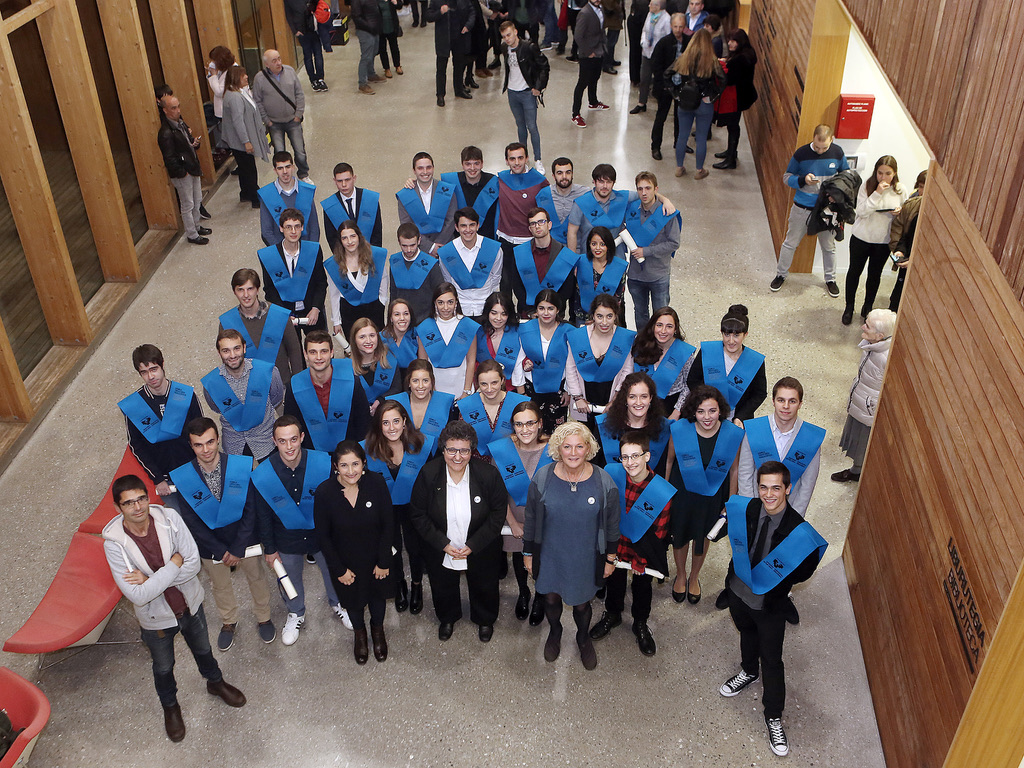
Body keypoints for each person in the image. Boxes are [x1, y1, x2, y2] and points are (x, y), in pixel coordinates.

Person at [103, 474, 246, 742]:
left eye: (141, 499)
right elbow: (138, 595)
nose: (138, 507)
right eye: (129, 503)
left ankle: (215, 683)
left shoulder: (170, 519)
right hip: (155, 619)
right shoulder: (114, 545)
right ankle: (170, 707)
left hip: (190, 604)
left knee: (203, 650)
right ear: (117, 507)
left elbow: (193, 565)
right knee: (163, 667)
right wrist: (172, 564)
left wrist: (150, 578)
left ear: (149, 498)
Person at [719, 461, 826, 758]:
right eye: (763, 487)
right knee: (745, 633)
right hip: (739, 592)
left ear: (788, 489)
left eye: (776, 488)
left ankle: (774, 715)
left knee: (772, 659)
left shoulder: (799, 531)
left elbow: (804, 572)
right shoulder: (749, 509)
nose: (768, 494)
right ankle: (748, 671)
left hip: (770, 605)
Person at [168, 417, 275, 651]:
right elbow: (192, 521)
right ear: (191, 445)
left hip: (245, 539)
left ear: (218, 439)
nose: (205, 449)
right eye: (198, 445)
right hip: (210, 545)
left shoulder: (240, 466)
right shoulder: (184, 477)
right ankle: (229, 621)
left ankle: (264, 616)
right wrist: (220, 550)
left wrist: (237, 548)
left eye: (210, 442)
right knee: (220, 585)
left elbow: (251, 509)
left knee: (257, 577)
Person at [523, 421, 619, 669]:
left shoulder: (603, 481)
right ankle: (555, 631)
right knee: (551, 599)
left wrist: (610, 558)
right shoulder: (542, 478)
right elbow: (531, 518)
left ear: (588, 448)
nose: (573, 452)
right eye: (567, 446)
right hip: (550, 555)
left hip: (586, 557)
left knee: (582, 603)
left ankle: (583, 638)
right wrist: (528, 553)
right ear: (558, 448)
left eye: (579, 446)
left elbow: (612, 524)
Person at [253, 416, 349, 647]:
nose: (289, 446)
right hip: (286, 536)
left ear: (302, 437)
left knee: (333, 570)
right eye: (282, 441)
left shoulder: (323, 463)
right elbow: (263, 516)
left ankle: (339, 603)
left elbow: (336, 502)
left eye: (294, 439)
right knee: (289, 578)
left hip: (322, 534)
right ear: (274, 441)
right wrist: (270, 549)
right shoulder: (263, 474)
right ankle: (296, 612)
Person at [409, 420, 509, 642]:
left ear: (472, 450)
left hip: (481, 545)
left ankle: (485, 619)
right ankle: (447, 617)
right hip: (441, 546)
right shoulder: (428, 474)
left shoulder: (488, 474)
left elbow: (497, 513)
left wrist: (473, 544)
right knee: (442, 584)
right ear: (443, 449)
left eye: (464, 450)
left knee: (484, 583)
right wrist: (443, 544)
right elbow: (418, 514)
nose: (457, 457)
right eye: (451, 450)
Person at [591, 431, 675, 655]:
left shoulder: (660, 491)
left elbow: (659, 533)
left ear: (647, 456)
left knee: (642, 587)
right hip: (616, 545)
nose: (630, 462)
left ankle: (640, 622)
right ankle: (613, 614)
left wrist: (642, 560)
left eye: (635, 456)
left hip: (643, 550)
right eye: (625, 457)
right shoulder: (613, 476)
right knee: (614, 581)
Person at [315, 441, 395, 663]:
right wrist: (339, 569)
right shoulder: (324, 493)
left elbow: (388, 524)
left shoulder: (377, 483)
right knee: (353, 602)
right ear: (335, 466)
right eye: (344, 465)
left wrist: (384, 561)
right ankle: (359, 635)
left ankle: (378, 631)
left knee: (378, 598)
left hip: (376, 559)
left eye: (355, 464)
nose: (351, 471)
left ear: (364, 463)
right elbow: (323, 536)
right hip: (345, 563)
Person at [664, 385, 742, 604]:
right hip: (682, 491)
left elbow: (734, 470)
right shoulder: (680, 429)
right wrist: (666, 493)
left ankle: (694, 576)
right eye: (701, 411)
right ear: (693, 411)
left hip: (712, 493)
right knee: (680, 535)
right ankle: (681, 575)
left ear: (721, 410)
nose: (707, 417)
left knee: (703, 536)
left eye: (712, 411)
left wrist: (730, 501)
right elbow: (669, 461)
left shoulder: (732, 434)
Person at [363, 399, 436, 614]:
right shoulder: (369, 450)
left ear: (405, 421)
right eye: (385, 423)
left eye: (396, 421)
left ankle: (416, 585)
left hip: (416, 507)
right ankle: (399, 584)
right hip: (385, 509)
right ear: (378, 425)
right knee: (391, 546)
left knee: (415, 548)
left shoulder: (421, 444)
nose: (391, 427)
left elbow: (432, 479)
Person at [770, 124, 849, 297]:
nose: (820, 151)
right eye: (817, 147)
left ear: (832, 140)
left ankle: (830, 279)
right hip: (802, 208)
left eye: (824, 148)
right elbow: (786, 177)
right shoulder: (801, 153)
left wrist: (836, 194)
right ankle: (780, 275)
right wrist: (803, 180)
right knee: (790, 243)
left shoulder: (838, 152)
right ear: (813, 138)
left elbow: (846, 176)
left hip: (826, 210)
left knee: (828, 247)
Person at [491, 400, 552, 625]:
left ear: (540, 423)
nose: (525, 429)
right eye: (519, 424)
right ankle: (524, 592)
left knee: (543, 560)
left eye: (530, 423)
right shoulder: (503, 450)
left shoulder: (554, 450)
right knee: (519, 557)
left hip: (546, 520)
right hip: (514, 518)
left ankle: (540, 596)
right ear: (513, 426)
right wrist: (513, 524)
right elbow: (497, 494)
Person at [120, 344, 203, 503]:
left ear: (162, 365)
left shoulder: (185, 395)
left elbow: (201, 432)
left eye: (154, 369)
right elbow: (136, 446)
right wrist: (157, 478)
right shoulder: (135, 406)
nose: (151, 376)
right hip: (165, 480)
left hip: (194, 470)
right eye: (144, 372)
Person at [738, 376, 824, 516]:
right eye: (781, 400)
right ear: (773, 401)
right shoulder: (754, 430)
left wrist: (793, 518)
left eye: (792, 401)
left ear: (800, 404)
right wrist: (749, 509)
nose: (786, 406)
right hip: (756, 505)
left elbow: (807, 485)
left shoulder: (811, 438)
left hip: (789, 509)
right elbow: (745, 474)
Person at [832, 309, 897, 482]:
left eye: (867, 326)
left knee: (862, 445)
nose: (862, 326)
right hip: (862, 400)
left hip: (868, 408)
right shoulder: (872, 345)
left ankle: (856, 471)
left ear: (880, 335)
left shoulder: (886, 358)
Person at [201, 329, 284, 462]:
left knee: (272, 476)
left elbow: (276, 397)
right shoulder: (211, 383)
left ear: (244, 348)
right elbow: (215, 407)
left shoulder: (268, 372)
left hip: (266, 440)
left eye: (237, 348)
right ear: (219, 353)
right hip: (234, 445)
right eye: (226, 350)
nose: (232, 355)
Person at [843, 156, 907, 325]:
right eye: (880, 173)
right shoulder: (867, 185)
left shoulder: (900, 190)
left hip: (883, 241)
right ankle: (849, 307)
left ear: (894, 173)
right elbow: (862, 212)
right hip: (861, 238)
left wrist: (899, 211)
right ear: (875, 172)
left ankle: (868, 306)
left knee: (874, 275)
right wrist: (877, 193)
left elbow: (905, 214)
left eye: (888, 173)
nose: (883, 177)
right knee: (854, 272)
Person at [283, 330, 372, 452]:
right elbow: (292, 426)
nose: (318, 357)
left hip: (349, 451)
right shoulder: (294, 387)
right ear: (305, 355)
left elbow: (363, 423)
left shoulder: (352, 383)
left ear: (331, 353)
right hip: (312, 453)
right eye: (313, 352)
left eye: (323, 351)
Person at [218, 268, 303, 387]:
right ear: (234, 292)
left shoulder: (279, 315)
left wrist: (297, 384)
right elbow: (226, 359)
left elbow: (294, 351)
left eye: (250, 289)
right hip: (249, 389)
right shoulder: (227, 323)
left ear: (257, 289)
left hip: (282, 386)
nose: (246, 295)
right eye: (240, 290)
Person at [564, 294, 636, 427]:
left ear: (616, 316)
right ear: (593, 316)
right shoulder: (578, 336)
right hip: (584, 399)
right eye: (599, 316)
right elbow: (570, 368)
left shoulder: (624, 338)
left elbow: (627, 370)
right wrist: (578, 397)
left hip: (612, 396)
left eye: (609, 316)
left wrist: (616, 400)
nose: (604, 322)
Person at [686, 304, 767, 422]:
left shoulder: (754, 361)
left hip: (737, 420)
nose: (731, 341)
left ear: (745, 334)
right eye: (727, 334)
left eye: (736, 335)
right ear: (721, 332)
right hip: (706, 416)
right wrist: (705, 404)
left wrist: (740, 417)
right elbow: (692, 380)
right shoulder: (708, 352)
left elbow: (759, 393)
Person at [611, 306, 695, 414]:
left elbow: (689, 386)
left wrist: (677, 412)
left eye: (669, 326)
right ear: (653, 326)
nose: (663, 331)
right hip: (639, 404)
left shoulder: (684, 352)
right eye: (659, 325)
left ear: (675, 329)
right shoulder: (640, 346)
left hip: (671, 407)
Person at [623, 172, 680, 328]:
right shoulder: (631, 209)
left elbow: (674, 243)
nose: (644, 193)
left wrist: (646, 251)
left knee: (661, 316)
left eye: (648, 188)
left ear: (656, 189)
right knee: (640, 314)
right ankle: (643, 341)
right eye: (640, 189)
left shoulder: (667, 213)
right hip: (636, 275)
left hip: (658, 275)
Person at [258, 208, 327, 336]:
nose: (293, 231)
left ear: (302, 228)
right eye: (288, 227)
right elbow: (270, 290)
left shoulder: (313, 250)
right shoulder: (270, 256)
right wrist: (284, 314)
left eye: (297, 226)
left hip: (311, 312)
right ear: (281, 228)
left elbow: (321, 283)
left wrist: (316, 308)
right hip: (286, 314)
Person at [513, 288, 571, 434]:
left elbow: (571, 364)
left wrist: (568, 391)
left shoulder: (568, 331)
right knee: (531, 430)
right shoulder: (524, 329)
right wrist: (521, 393)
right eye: (541, 308)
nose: (546, 313)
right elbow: (517, 361)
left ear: (558, 310)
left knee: (557, 434)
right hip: (531, 389)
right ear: (536, 310)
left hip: (559, 390)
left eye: (550, 308)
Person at [670, 28, 724, 180]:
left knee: (682, 135)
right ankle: (699, 170)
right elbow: (723, 80)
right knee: (701, 138)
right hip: (704, 103)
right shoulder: (711, 61)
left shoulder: (683, 58)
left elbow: (667, 74)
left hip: (685, 101)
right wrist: (713, 96)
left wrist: (676, 93)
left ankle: (679, 167)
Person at [157, 96, 210, 245]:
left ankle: (196, 226)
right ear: (165, 110)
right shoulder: (166, 132)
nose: (178, 111)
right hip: (183, 172)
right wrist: (182, 172)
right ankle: (192, 234)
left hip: (191, 167)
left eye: (178, 106)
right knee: (188, 204)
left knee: (197, 199)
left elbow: (187, 143)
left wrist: (194, 143)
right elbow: (169, 158)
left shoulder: (180, 124)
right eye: (173, 108)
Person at [251, 50, 309, 181]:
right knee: (279, 154)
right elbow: (257, 101)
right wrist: (267, 120)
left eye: (279, 59)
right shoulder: (259, 78)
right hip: (274, 123)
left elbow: (299, 94)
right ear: (267, 64)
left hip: (293, 120)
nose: (278, 63)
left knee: (300, 151)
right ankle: (283, 178)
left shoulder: (290, 71)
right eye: (274, 61)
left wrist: (298, 114)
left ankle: (303, 174)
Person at [500, 22, 549, 172]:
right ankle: (523, 160)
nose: (507, 39)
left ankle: (538, 159)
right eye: (504, 36)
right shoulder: (504, 48)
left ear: (515, 32)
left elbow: (544, 66)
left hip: (527, 92)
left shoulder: (529, 47)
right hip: (512, 92)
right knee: (520, 126)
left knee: (532, 126)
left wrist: (538, 87)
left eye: (509, 35)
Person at [437, 207, 504, 319]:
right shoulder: (446, 252)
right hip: (460, 309)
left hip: (486, 308)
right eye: (463, 226)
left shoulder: (494, 249)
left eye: (472, 225)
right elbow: (448, 280)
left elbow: (496, 278)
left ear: (478, 226)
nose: (468, 230)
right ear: (456, 228)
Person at [511, 207, 578, 318]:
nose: (537, 226)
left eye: (541, 222)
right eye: (533, 224)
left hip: (555, 315)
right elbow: (517, 286)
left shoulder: (565, 255)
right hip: (527, 314)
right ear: (530, 229)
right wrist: (531, 312)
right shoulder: (519, 253)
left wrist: (549, 311)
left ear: (549, 225)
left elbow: (567, 290)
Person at [596, 371, 670, 470]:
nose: (638, 402)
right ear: (625, 399)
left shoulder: (664, 428)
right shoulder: (604, 426)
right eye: (632, 397)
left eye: (644, 396)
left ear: (651, 398)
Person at [326, 219, 387, 337]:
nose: (349, 241)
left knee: (375, 343)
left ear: (359, 236)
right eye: (344, 238)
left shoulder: (375, 255)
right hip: (349, 312)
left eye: (352, 236)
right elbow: (334, 294)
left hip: (374, 308)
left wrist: (382, 302)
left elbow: (383, 279)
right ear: (340, 241)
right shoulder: (334, 264)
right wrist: (336, 321)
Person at [458, 359, 530, 455]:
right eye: (484, 384)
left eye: (494, 383)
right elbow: (461, 439)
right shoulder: (467, 406)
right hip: (476, 461)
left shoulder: (519, 403)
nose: (489, 389)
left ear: (502, 380)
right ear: (477, 383)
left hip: (511, 458)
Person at [220, 67, 268, 208]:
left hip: (237, 141)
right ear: (236, 78)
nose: (246, 77)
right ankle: (255, 198)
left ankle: (245, 193)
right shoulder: (235, 97)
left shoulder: (236, 92)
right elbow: (238, 121)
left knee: (243, 167)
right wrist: (246, 141)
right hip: (240, 142)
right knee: (249, 169)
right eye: (243, 76)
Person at [380, 224, 446, 322]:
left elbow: (440, 294)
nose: (409, 250)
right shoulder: (395, 261)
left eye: (412, 245)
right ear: (399, 242)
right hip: (402, 320)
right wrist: (391, 321)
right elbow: (393, 294)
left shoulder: (431, 263)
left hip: (426, 320)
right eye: (404, 246)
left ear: (419, 241)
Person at [711, 28, 757, 171]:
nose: (730, 43)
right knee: (733, 125)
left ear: (740, 42)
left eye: (733, 41)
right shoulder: (745, 54)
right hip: (742, 96)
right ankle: (731, 152)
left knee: (732, 125)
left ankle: (731, 159)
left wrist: (722, 66)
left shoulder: (741, 59)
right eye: (729, 40)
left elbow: (730, 79)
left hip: (738, 97)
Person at [396, 152, 458, 255]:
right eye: (420, 168)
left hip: (445, 246)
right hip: (418, 250)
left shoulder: (447, 190)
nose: (425, 172)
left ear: (433, 168)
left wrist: (438, 247)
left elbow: (451, 220)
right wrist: (430, 247)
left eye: (428, 167)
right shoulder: (405, 195)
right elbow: (407, 225)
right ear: (414, 170)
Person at [259, 153, 320, 245]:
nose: (285, 172)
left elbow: (314, 227)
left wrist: (310, 249)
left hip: (306, 246)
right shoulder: (267, 194)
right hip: (280, 248)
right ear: (275, 170)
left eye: (288, 167)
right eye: (280, 168)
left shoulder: (306, 191)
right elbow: (266, 232)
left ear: (293, 167)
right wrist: (282, 251)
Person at [321, 162, 383, 251]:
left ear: (354, 178)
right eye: (339, 181)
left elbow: (377, 232)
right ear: (334, 181)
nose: (344, 184)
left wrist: (372, 256)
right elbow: (332, 239)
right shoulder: (329, 205)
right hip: (344, 256)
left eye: (347, 180)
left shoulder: (370, 199)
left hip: (369, 253)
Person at [571, 227, 627, 326]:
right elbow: (576, 294)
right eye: (594, 244)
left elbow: (618, 298)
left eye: (602, 244)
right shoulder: (580, 262)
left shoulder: (619, 266)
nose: (597, 248)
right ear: (589, 245)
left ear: (608, 245)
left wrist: (601, 319)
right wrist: (589, 319)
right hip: (583, 318)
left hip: (607, 320)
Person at [648, 13, 686, 161]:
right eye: (675, 26)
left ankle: (679, 143)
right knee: (661, 117)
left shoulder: (688, 42)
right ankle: (655, 146)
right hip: (665, 87)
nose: (678, 29)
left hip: (681, 86)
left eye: (680, 26)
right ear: (671, 26)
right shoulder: (664, 43)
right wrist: (663, 84)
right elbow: (656, 65)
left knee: (680, 117)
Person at [440, 146, 500, 239]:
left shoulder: (494, 183)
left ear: (482, 164)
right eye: (468, 164)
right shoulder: (450, 182)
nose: (472, 168)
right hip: (459, 239)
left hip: (486, 238)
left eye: (476, 163)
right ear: (462, 165)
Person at [888, 170, 926, 311]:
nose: (922, 191)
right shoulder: (913, 205)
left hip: (923, 269)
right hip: (906, 261)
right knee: (896, 300)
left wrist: (915, 261)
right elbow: (905, 234)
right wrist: (899, 251)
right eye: (920, 187)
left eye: (926, 187)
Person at [392, 358, 457, 439]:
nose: (420, 386)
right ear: (409, 382)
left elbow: (452, 437)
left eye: (425, 380)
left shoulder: (445, 404)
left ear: (432, 382)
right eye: (415, 381)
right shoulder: (395, 403)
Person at [427, 0, 476, 105]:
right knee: (441, 68)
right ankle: (440, 95)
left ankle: (459, 90)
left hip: (459, 37)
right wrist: (440, 12)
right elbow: (428, 16)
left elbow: (472, 11)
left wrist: (468, 25)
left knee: (459, 65)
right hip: (443, 39)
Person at [570, 0, 610, 127]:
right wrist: (588, 52)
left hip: (599, 50)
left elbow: (601, 29)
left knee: (595, 77)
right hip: (588, 53)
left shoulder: (601, 8)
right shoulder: (585, 13)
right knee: (583, 82)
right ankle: (575, 113)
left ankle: (593, 101)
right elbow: (578, 36)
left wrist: (604, 46)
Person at [349, 318, 403, 412]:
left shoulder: (389, 360)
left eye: (372, 335)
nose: (368, 341)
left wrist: (381, 400)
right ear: (354, 340)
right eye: (362, 337)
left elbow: (396, 388)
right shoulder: (347, 367)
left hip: (386, 413)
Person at [535, 157, 590, 245]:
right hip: (552, 246)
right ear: (553, 176)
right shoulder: (543, 195)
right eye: (559, 173)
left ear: (572, 174)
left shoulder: (585, 194)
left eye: (568, 172)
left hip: (578, 246)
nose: (564, 177)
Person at [629, 0, 669, 114]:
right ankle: (641, 103)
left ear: (658, 6)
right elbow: (644, 31)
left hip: (659, 55)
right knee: (644, 78)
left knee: (659, 80)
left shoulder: (666, 19)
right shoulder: (649, 15)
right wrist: (643, 42)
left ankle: (661, 106)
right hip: (647, 52)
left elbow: (667, 38)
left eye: (651, 4)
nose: (649, 5)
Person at [474, 291, 525, 383]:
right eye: (494, 313)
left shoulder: (518, 332)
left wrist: (527, 362)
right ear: (487, 312)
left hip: (512, 385)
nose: (498, 318)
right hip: (484, 385)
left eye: (503, 314)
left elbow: (525, 357)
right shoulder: (477, 332)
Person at [285, 0, 329, 91]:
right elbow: (288, 14)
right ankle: (315, 80)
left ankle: (319, 79)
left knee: (316, 54)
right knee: (310, 55)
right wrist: (295, 31)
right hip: (303, 29)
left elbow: (318, 3)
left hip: (311, 27)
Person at [352, 0, 387, 94]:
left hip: (375, 29)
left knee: (374, 52)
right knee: (366, 56)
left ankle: (371, 74)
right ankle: (362, 84)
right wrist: (369, 26)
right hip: (365, 31)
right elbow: (356, 16)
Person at [381, 297, 421, 368]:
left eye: (406, 314)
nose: (402, 318)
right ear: (391, 318)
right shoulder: (380, 337)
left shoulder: (418, 335)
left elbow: (423, 366)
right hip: (387, 374)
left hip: (413, 373)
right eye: (397, 314)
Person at [378, 0, 404, 79]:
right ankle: (386, 68)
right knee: (382, 49)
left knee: (394, 47)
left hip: (392, 26)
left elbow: (400, 5)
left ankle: (397, 65)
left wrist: (395, 2)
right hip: (380, 28)